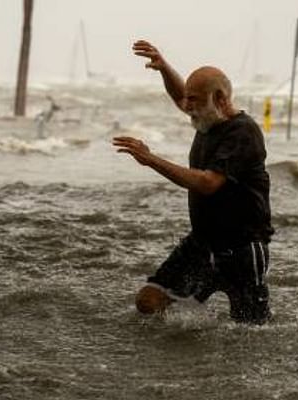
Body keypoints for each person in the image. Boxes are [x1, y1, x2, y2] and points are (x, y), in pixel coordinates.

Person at [112, 40, 275, 325]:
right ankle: (185, 352)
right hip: (201, 244)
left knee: (250, 332)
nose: (187, 107)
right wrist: (164, 68)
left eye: (195, 101)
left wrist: (151, 160)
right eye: (188, 100)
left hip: (243, 249)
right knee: (148, 302)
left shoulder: (242, 132)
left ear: (221, 99)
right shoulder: (206, 119)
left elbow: (208, 182)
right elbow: (181, 97)